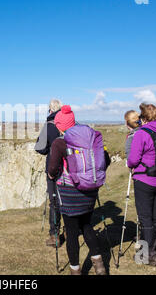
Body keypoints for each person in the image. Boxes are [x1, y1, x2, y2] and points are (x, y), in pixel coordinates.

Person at [47, 105, 106, 275]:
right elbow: (105, 160)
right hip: (90, 190)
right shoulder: (91, 138)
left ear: (60, 125)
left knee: (72, 232)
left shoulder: (60, 142)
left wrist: (52, 176)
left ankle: (75, 270)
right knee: (87, 225)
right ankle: (100, 266)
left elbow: (52, 169)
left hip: (69, 191)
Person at [127, 103, 156, 266]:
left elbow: (133, 159)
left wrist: (132, 165)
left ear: (144, 118)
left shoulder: (142, 133)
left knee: (146, 218)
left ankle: (147, 255)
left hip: (145, 179)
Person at [35, 99, 63, 247]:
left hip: (54, 169)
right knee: (69, 199)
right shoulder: (71, 124)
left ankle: (55, 234)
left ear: (50, 110)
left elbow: (39, 147)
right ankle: (74, 229)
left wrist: (49, 151)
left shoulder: (49, 126)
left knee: (55, 202)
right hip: (71, 168)